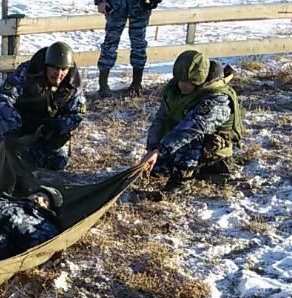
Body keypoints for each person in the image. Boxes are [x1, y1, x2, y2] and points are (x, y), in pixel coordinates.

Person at [140, 50, 244, 193]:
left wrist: (160, 150)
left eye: (189, 82)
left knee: (193, 135)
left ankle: (182, 182)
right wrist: (152, 148)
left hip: (212, 152)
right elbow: (162, 118)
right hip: (177, 144)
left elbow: (192, 128)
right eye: (181, 80)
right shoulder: (174, 89)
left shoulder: (218, 98)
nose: (183, 86)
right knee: (158, 169)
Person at [0, 41, 86, 171]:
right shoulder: (27, 72)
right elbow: (1, 99)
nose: (59, 74)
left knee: (58, 163)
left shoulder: (73, 83)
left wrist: (58, 127)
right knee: (14, 163)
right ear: (46, 66)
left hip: (47, 130)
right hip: (20, 126)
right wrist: (12, 129)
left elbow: (77, 113)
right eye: (54, 68)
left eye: (63, 69)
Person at [95, 0, 158, 98]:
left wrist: (152, 2)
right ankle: (103, 86)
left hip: (141, 5)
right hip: (115, 5)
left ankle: (137, 84)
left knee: (139, 44)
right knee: (110, 43)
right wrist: (100, 1)